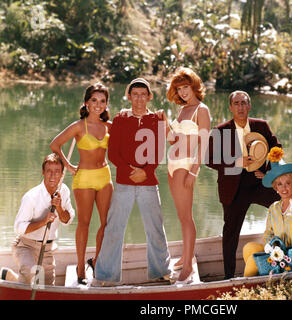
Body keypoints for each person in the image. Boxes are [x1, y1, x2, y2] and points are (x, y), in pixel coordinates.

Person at [92, 78, 171, 286]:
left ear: (149, 97)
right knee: (114, 227)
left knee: (155, 228)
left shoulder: (157, 119)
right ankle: (106, 276)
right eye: (134, 94)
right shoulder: (120, 119)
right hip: (124, 183)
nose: (138, 98)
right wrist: (129, 171)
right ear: (129, 96)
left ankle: (161, 271)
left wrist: (146, 171)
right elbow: (113, 153)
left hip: (149, 182)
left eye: (143, 94)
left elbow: (159, 150)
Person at [206, 90, 281, 279]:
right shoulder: (220, 130)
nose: (240, 107)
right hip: (233, 188)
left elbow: (277, 150)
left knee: (284, 209)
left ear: (249, 106)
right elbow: (209, 159)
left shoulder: (261, 126)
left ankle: (291, 256)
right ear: (230, 107)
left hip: (259, 183)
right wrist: (235, 162)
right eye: (236, 103)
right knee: (230, 232)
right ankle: (228, 276)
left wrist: (268, 174)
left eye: (243, 103)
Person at [50, 83, 113, 284]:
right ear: (86, 103)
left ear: (106, 104)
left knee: (106, 223)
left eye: (102, 101)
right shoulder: (79, 126)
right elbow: (55, 144)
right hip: (84, 177)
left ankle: (96, 261)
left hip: (105, 177)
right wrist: (68, 165)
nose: (98, 105)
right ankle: (80, 267)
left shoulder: (109, 127)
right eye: (94, 100)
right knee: (84, 224)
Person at [160, 67, 211, 284]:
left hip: (186, 165)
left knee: (187, 216)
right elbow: (173, 139)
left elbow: (204, 142)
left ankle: (188, 266)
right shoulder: (182, 110)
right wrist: (163, 120)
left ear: (194, 86)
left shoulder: (202, 109)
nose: (182, 92)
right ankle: (184, 256)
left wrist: (194, 170)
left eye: (186, 87)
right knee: (181, 216)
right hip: (172, 165)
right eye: (179, 88)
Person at [243, 147, 292, 277]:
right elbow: (268, 233)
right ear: (275, 187)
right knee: (248, 248)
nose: (284, 188)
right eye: (279, 184)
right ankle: (257, 282)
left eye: (288, 183)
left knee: (252, 260)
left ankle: (245, 288)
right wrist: (272, 247)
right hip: (277, 255)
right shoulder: (273, 208)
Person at [12, 153, 75, 285]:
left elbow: (67, 220)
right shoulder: (31, 197)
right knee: (32, 275)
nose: (53, 176)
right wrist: (43, 221)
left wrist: (59, 208)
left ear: (62, 174)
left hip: (47, 248)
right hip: (26, 246)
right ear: (43, 172)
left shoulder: (64, 191)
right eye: (49, 171)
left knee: (47, 287)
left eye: (57, 172)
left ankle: (9, 277)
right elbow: (19, 227)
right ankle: (14, 280)